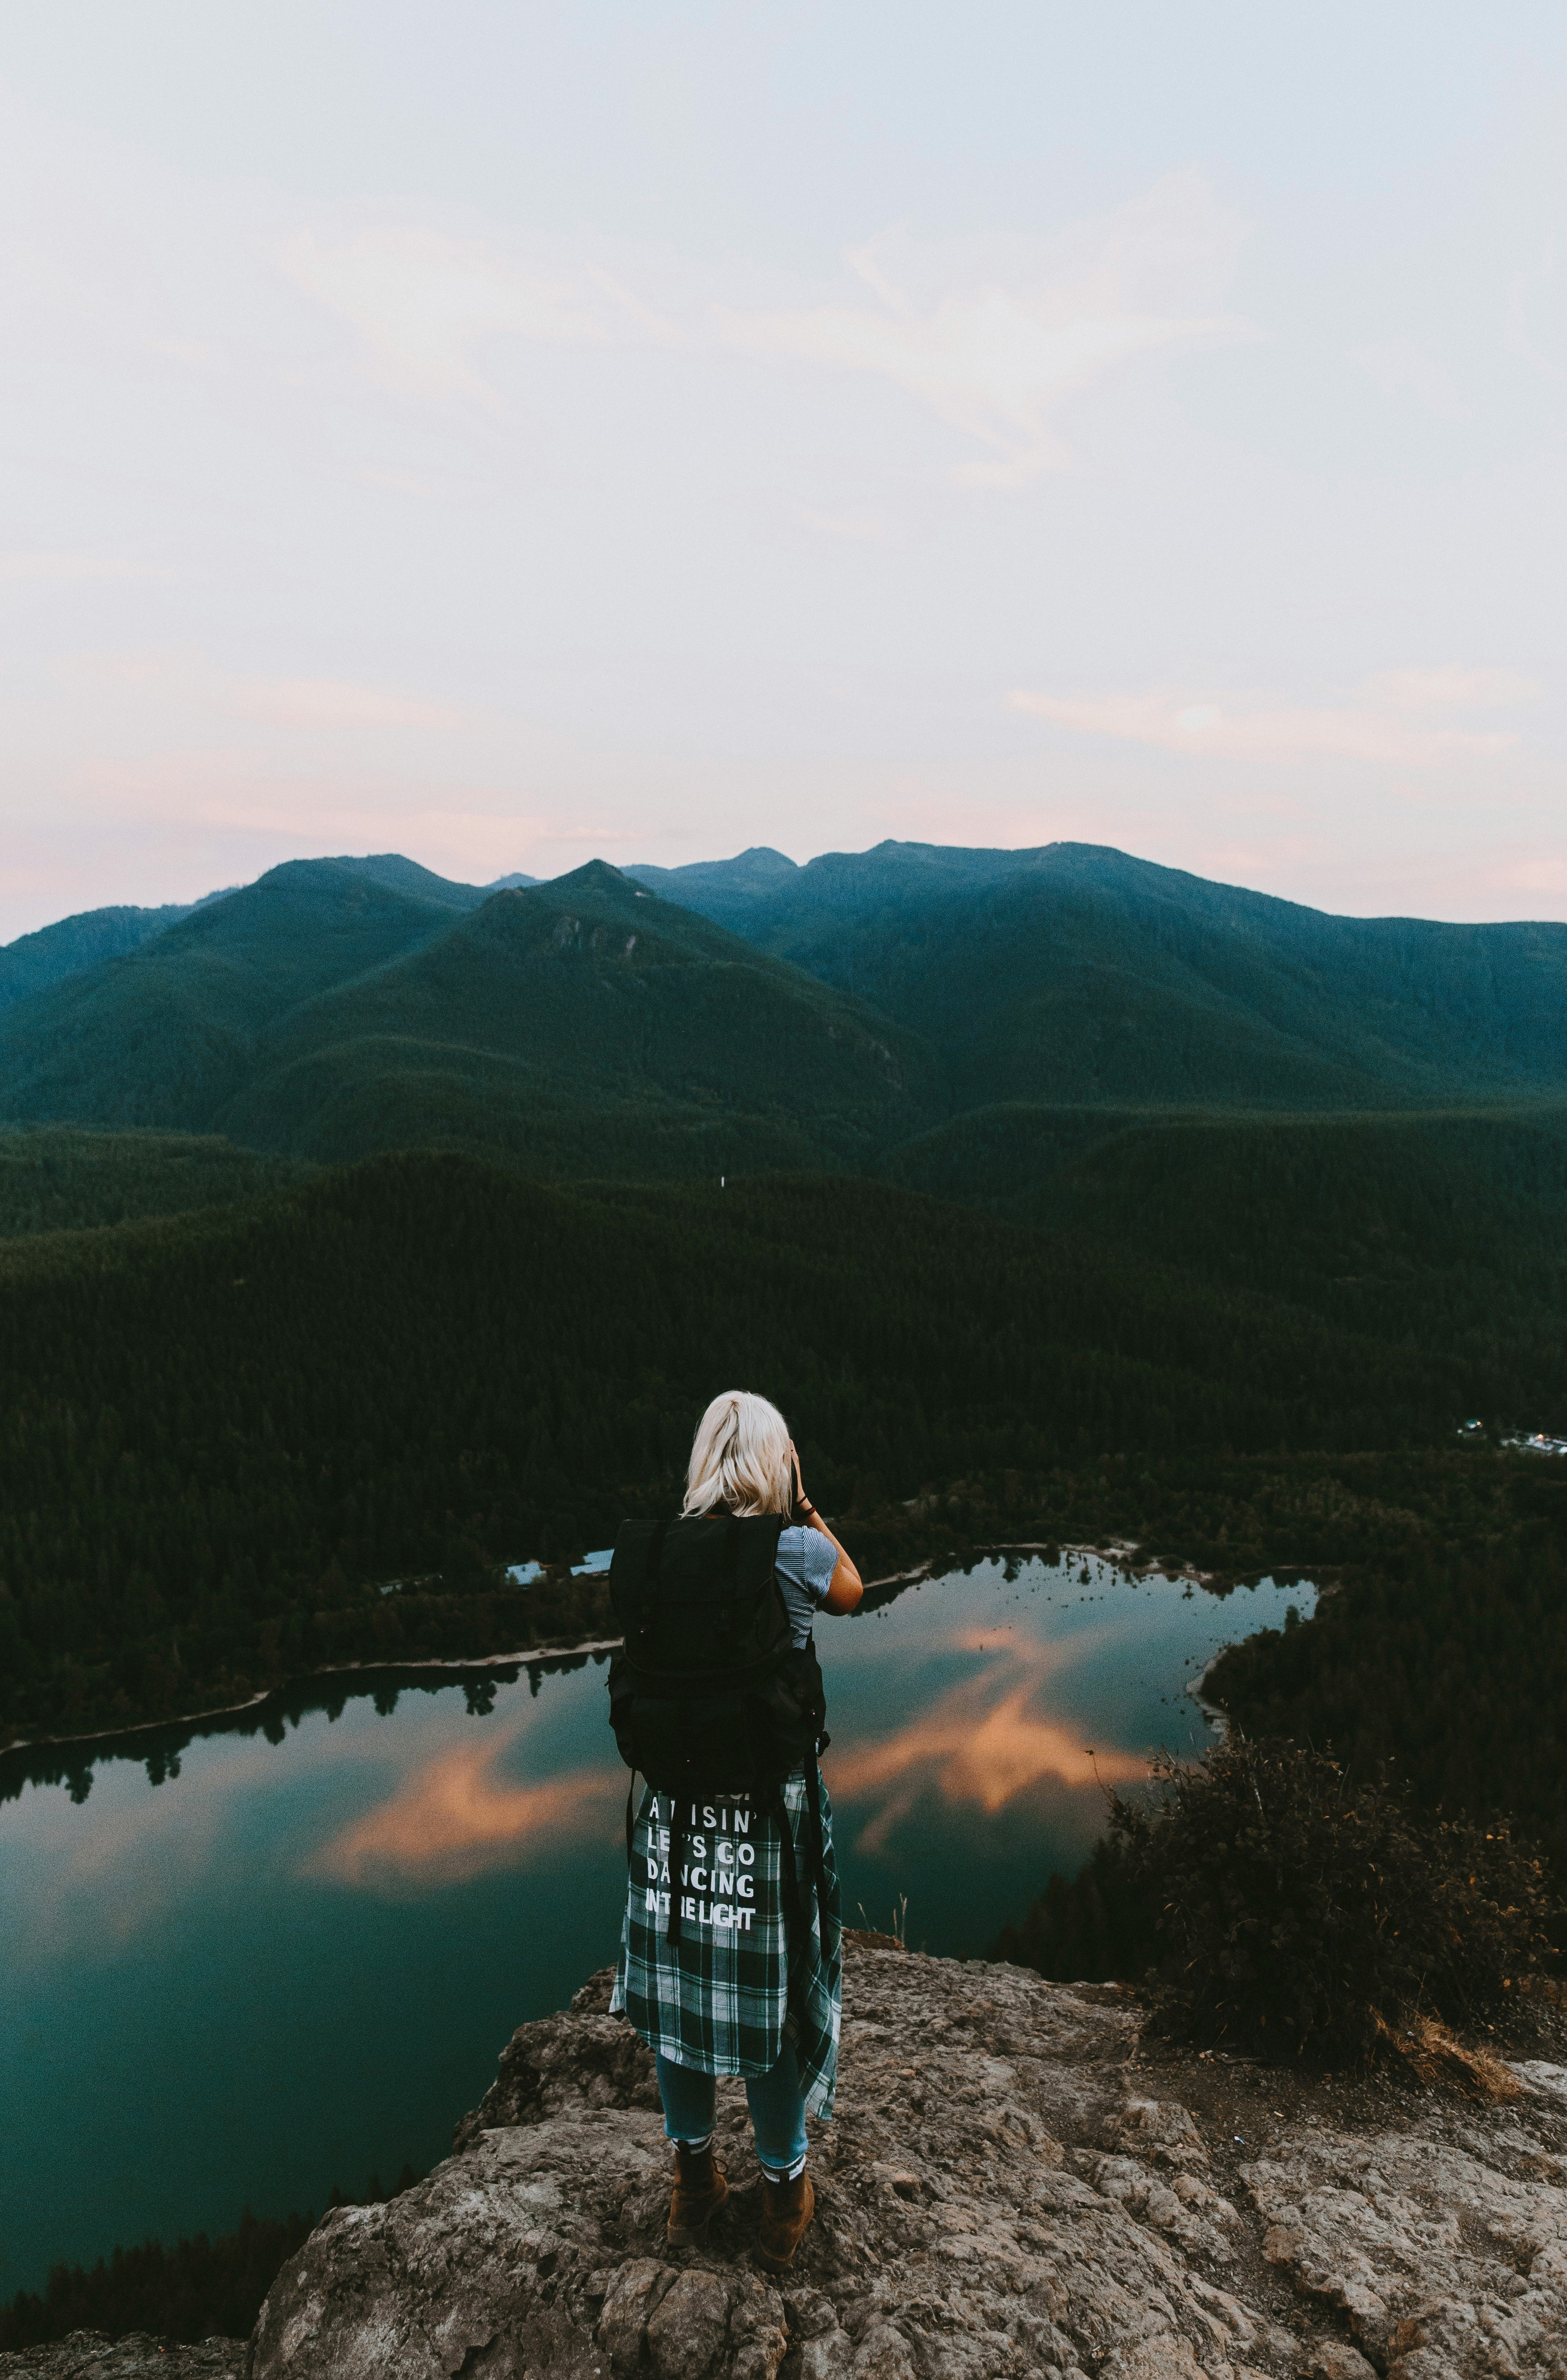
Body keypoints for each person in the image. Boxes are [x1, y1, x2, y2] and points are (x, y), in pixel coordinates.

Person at [609, 1389, 863, 2272]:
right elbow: (853, 1590)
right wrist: (806, 1505)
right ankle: (784, 2193)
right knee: (767, 2001)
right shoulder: (792, 1546)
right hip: (766, 1808)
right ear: (775, 1459)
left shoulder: (650, 1551)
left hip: (673, 1811)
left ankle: (692, 2181)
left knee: (681, 1994)